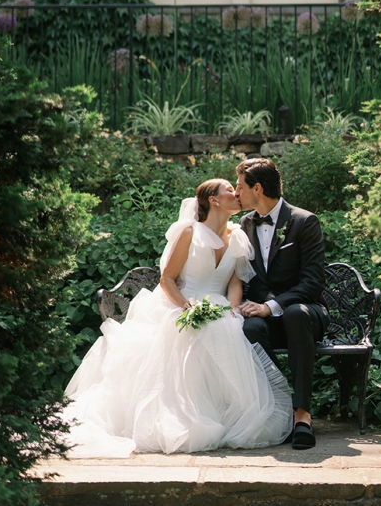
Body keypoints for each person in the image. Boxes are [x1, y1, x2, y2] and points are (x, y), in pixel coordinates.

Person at [61, 179, 293, 457]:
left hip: (219, 307)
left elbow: (235, 282)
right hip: (179, 303)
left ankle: (225, 417)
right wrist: (187, 307)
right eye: (229, 190)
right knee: (188, 337)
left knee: (227, 329)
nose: (236, 193)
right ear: (214, 200)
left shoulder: (238, 235)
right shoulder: (189, 233)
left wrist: (233, 309)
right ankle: (183, 417)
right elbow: (167, 279)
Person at [236, 157, 328, 450]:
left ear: (258, 188)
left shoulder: (305, 222)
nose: (237, 193)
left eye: (240, 187)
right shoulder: (244, 223)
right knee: (249, 327)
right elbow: (252, 278)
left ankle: (303, 416)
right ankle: (284, 404)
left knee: (295, 313)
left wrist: (271, 306)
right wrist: (252, 305)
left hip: (305, 314)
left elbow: (312, 282)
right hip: (269, 318)